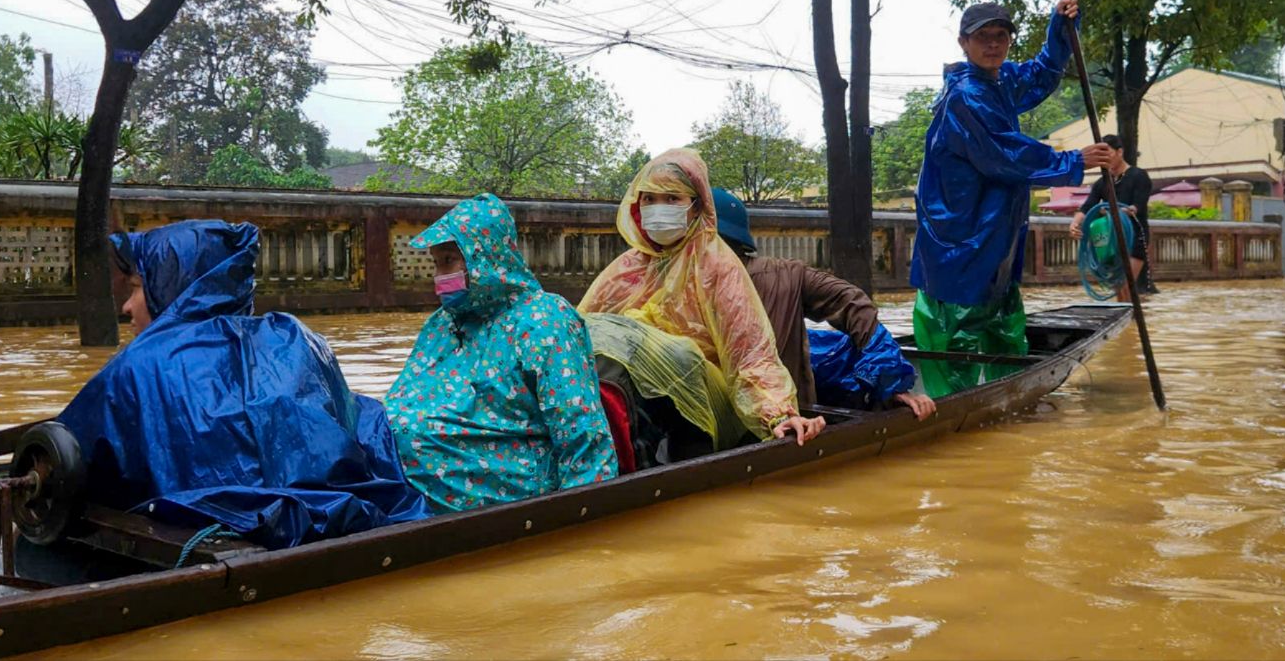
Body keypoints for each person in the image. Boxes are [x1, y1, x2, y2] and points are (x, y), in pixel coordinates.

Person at [58, 220, 428, 549]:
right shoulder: (294, 336)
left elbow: (70, 459)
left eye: (137, 288)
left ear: (167, 285)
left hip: (215, 533)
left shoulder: (142, 364)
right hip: (338, 516)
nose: (128, 306)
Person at [910, 0, 1113, 397]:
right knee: (958, 329)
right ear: (963, 43)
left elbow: (1041, 73)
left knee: (1000, 316)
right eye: (983, 37)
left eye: (1000, 36)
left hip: (994, 236)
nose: (993, 45)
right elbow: (1006, 154)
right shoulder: (967, 97)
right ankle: (953, 404)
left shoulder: (999, 82)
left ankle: (1004, 393)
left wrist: (1059, 27)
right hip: (960, 240)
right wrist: (1073, 160)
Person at [384, 193, 618, 514]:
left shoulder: (544, 320)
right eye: (436, 263)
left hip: (521, 482)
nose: (440, 276)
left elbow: (582, 434)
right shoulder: (442, 325)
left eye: (450, 260)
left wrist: (583, 519)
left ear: (484, 256)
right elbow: (405, 399)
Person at [579, 148, 825, 450]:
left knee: (673, 352)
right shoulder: (624, 270)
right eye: (650, 199)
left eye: (672, 199)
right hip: (642, 401)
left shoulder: (717, 268)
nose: (659, 208)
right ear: (637, 206)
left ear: (696, 207)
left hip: (708, 405)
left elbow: (751, 355)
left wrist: (776, 415)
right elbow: (580, 335)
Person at [710, 188, 936, 421]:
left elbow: (851, 304)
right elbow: (854, 304)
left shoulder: (786, 277)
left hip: (781, 420)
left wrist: (891, 383)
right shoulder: (675, 289)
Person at [1069, 134, 1153, 301]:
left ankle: (1133, 323)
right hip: (1111, 240)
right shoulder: (1102, 183)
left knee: (1125, 286)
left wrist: (1112, 211)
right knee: (1117, 287)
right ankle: (1130, 322)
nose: (1104, 158)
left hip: (1135, 237)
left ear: (1119, 152)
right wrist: (1075, 223)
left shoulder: (1138, 176)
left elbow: (1137, 206)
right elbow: (1087, 206)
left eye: (1108, 152)